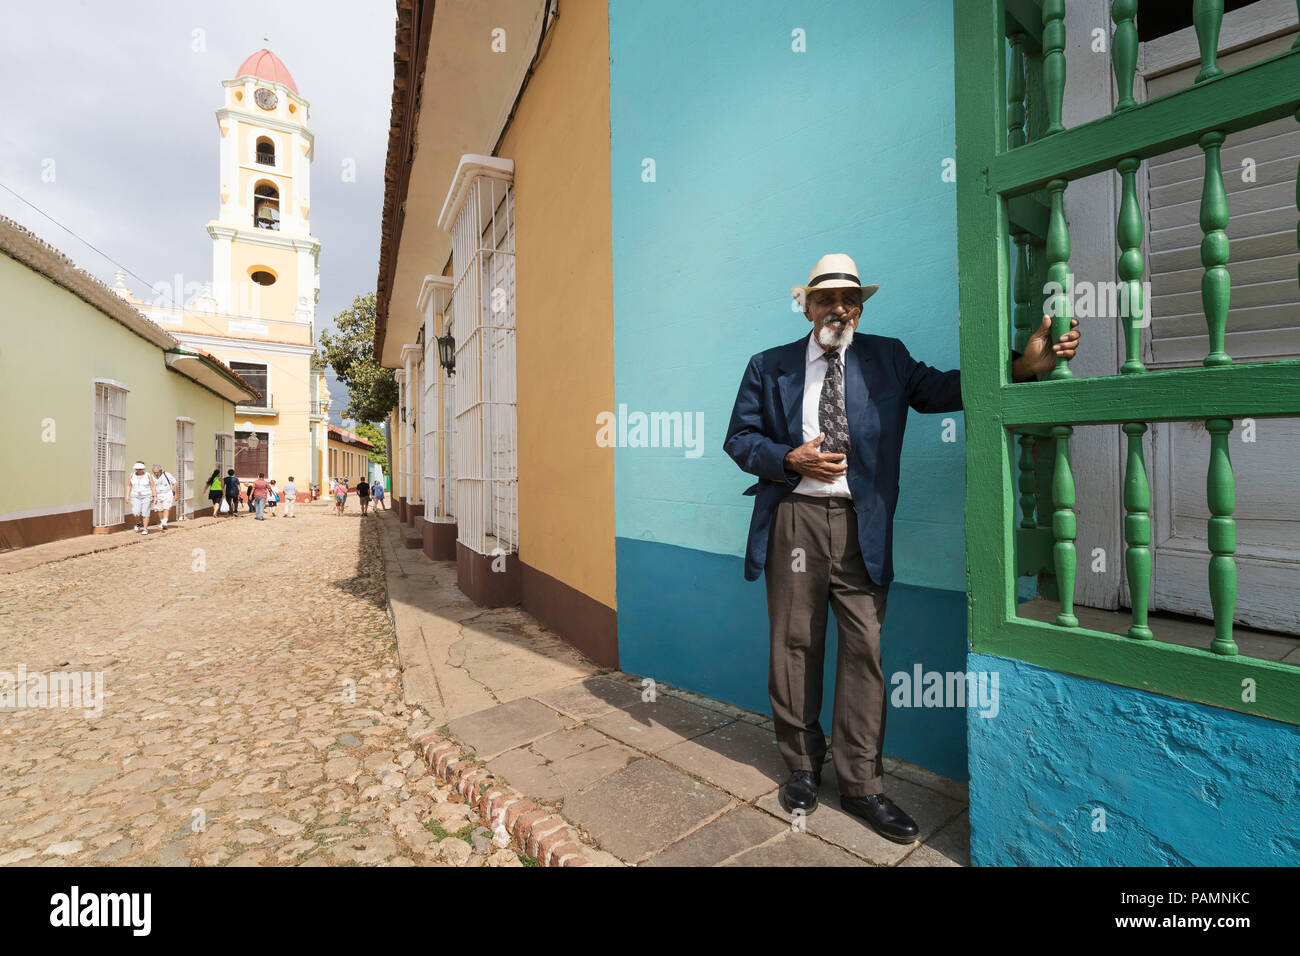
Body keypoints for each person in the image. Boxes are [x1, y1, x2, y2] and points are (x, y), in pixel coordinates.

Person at [723, 253, 1080, 843]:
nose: (840, 307)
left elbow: (942, 390)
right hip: (795, 516)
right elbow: (740, 438)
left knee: (864, 650)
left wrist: (1021, 365)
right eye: (828, 297)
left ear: (860, 308)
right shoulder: (770, 366)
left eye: (851, 299)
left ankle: (862, 784)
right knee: (793, 644)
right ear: (806, 305)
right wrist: (789, 459)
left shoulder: (887, 356)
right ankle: (803, 766)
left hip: (863, 523)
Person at [126, 461, 156, 534]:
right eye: (137, 469)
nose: (138, 470)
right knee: (136, 512)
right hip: (135, 496)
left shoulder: (148, 475)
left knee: (145, 512)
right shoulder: (132, 475)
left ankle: (145, 529)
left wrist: (155, 496)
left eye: (140, 468)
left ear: (143, 468)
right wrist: (127, 496)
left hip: (147, 496)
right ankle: (138, 523)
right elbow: (129, 485)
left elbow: (152, 486)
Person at [150, 464, 178, 530]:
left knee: (166, 507)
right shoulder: (151, 477)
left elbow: (174, 483)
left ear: (161, 470)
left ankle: (165, 521)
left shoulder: (167, 475)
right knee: (158, 509)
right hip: (157, 495)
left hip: (167, 493)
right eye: (154, 472)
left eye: (157, 472)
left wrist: (176, 494)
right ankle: (162, 522)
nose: (156, 474)